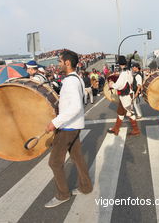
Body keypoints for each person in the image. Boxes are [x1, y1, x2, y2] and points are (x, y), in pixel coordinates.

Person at [44, 50, 92, 208]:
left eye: (59, 61)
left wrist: (55, 122)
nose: (58, 64)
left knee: (55, 163)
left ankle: (63, 194)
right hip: (75, 125)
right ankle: (85, 187)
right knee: (78, 158)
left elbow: (76, 107)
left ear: (67, 63)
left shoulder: (71, 81)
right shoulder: (76, 78)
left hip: (67, 128)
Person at [107, 55, 140, 137]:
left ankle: (136, 130)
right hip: (127, 95)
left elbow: (119, 85)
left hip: (125, 96)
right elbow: (129, 81)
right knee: (120, 112)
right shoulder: (129, 71)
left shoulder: (124, 73)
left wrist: (112, 84)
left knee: (129, 113)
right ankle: (116, 128)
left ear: (119, 64)